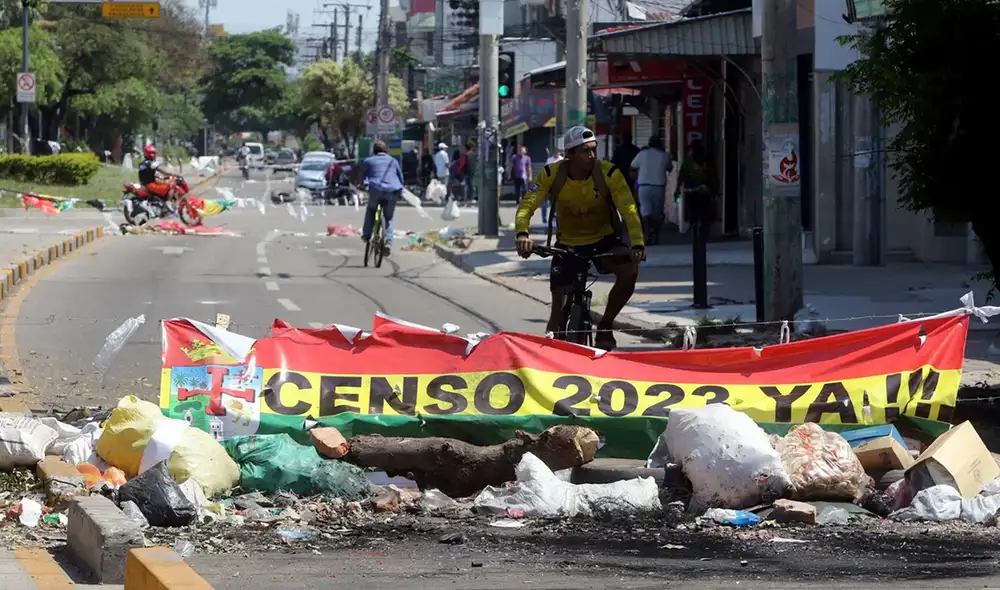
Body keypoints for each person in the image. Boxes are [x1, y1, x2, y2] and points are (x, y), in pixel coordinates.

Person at [514, 126, 645, 351]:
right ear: (569, 154)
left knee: (629, 271)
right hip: (567, 245)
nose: (592, 155)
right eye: (585, 151)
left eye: (594, 149)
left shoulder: (609, 173)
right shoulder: (551, 173)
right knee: (556, 318)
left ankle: (605, 324)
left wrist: (637, 243)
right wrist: (522, 234)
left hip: (603, 241)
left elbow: (629, 210)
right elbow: (527, 205)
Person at [361, 140, 404, 257]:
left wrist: (363, 186)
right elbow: (400, 178)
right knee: (388, 217)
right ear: (386, 150)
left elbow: (363, 177)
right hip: (392, 190)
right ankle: (388, 242)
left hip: (375, 190)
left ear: (374, 151)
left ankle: (366, 235)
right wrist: (400, 191)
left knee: (371, 210)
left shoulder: (368, 161)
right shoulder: (393, 161)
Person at [630, 135, 674, 244]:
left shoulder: (642, 154)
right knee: (657, 214)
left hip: (644, 187)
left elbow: (632, 167)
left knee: (645, 213)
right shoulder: (664, 155)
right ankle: (656, 234)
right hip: (659, 188)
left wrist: (636, 178)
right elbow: (670, 168)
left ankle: (647, 235)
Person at [675, 139, 715, 230]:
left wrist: (677, 189)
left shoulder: (688, 161)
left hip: (690, 191)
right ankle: (702, 227)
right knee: (704, 212)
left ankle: (693, 226)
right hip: (704, 190)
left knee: (692, 211)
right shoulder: (707, 160)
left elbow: (681, 175)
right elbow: (712, 176)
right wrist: (714, 189)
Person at [540, 150, 563, 224]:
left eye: (557, 152)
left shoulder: (562, 160)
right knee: (545, 203)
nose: (556, 154)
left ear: (559, 153)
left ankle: (554, 218)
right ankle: (544, 219)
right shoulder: (549, 160)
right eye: (555, 152)